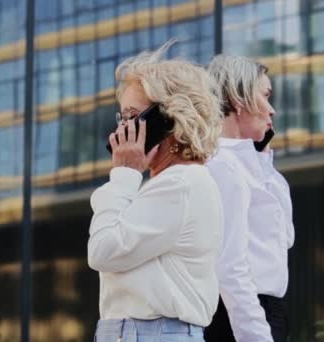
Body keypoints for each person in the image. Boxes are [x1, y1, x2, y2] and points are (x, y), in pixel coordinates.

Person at [88, 43, 224, 342]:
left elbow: (102, 251)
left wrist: (124, 174)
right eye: (121, 119)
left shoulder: (180, 184)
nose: (121, 132)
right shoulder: (170, 184)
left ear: (167, 120)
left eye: (133, 117)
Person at [204, 55, 295, 342]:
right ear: (237, 97)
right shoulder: (218, 165)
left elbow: (285, 239)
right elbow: (230, 267)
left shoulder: (258, 167)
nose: (272, 109)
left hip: (269, 310)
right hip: (239, 313)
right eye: (265, 96)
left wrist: (262, 159)